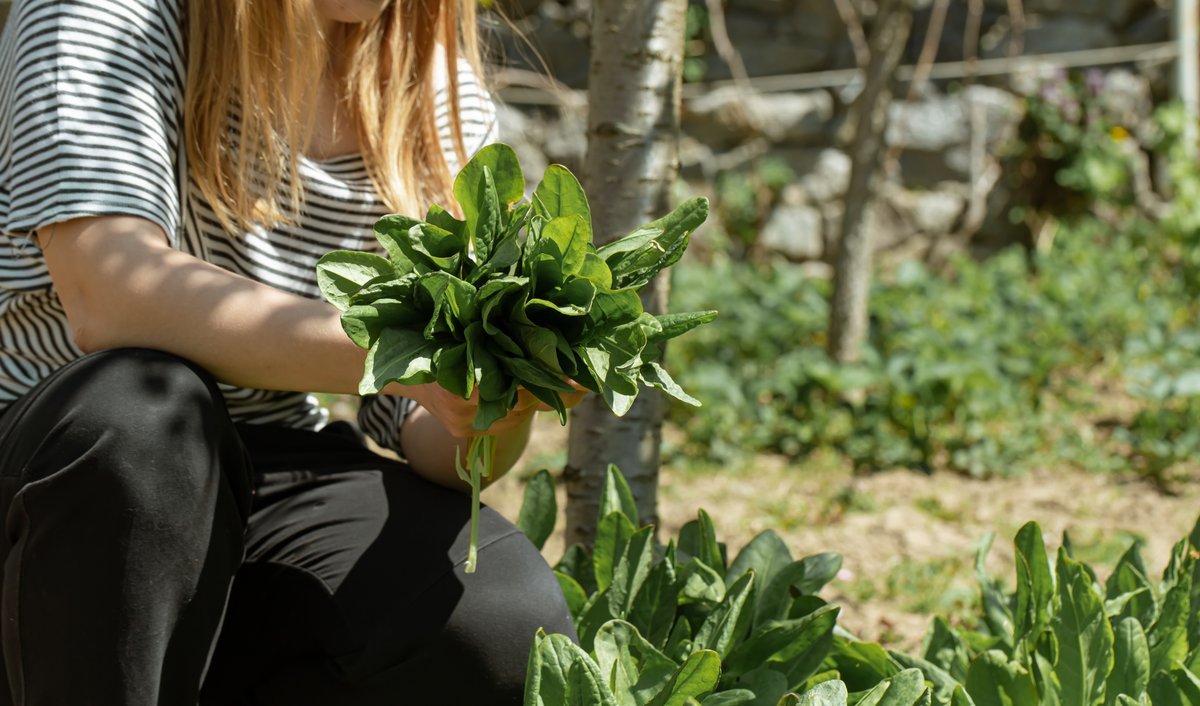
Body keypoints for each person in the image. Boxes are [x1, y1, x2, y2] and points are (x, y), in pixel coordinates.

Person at [0, 0, 580, 703]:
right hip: (63, 464)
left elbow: (426, 435)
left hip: (263, 459)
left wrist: (490, 402)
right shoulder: (105, 14)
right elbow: (112, 297)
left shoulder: (431, 91)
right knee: (141, 421)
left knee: (494, 619)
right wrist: (414, 354)